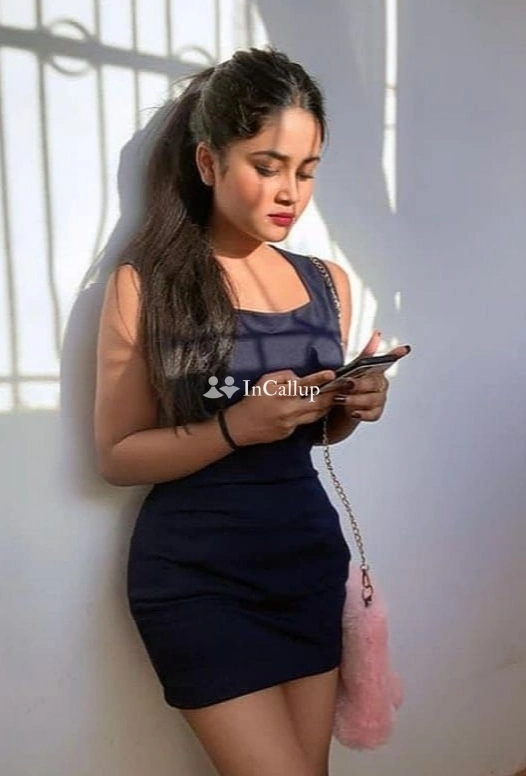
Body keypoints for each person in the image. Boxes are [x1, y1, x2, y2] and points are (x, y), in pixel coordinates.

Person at [94, 46, 402, 776]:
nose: (289, 191)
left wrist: (353, 404)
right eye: (267, 166)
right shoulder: (149, 284)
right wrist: (234, 426)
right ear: (208, 162)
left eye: (306, 170)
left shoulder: (327, 284)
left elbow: (311, 432)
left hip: (305, 562)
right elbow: (117, 455)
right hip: (198, 579)